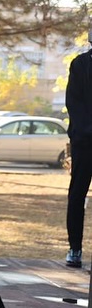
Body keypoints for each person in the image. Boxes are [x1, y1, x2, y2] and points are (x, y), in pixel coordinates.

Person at [65, 38, 92, 267]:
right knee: (77, 194)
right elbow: (73, 102)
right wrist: (85, 130)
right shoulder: (80, 64)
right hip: (84, 141)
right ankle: (75, 248)